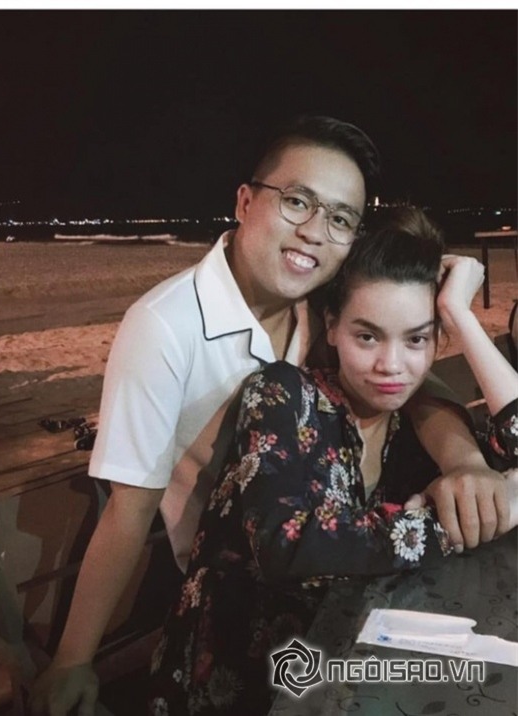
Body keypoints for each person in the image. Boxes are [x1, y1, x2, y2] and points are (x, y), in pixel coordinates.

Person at [31, 116, 510, 716]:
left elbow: (411, 386)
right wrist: (73, 659)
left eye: (340, 219)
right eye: (297, 202)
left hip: (334, 576)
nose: (313, 232)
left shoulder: (319, 301)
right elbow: (130, 506)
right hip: (239, 582)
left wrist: (465, 461)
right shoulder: (166, 327)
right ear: (244, 201)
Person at [148, 207, 518, 716]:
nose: (391, 365)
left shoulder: (414, 430)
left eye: (417, 338)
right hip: (233, 679)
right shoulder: (283, 396)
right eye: (368, 336)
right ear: (332, 327)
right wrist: (449, 522)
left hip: (339, 663)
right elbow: (286, 543)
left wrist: (461, 316)